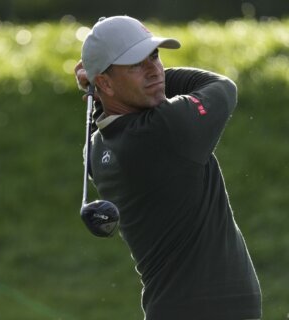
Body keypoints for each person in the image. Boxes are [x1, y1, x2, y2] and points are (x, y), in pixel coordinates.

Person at [74, 16, 262, 320]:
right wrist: (97, 84)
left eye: (155, 57)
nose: (155, 71)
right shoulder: (167, 128)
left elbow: (112, 114)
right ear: (106, 82)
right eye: (136, 64)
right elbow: (222, 87)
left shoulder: (96, 151)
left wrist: (101, 87)